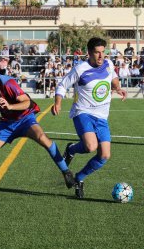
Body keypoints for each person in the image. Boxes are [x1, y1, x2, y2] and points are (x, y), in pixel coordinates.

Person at [0, 59, 75, 199]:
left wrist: (10, 106)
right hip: (6, 124)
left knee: (43, 139)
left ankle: (66, 171)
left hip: (25, 119)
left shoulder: (7, 83)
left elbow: (27, 102)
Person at [51, 37, 127, 199]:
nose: (101, 56)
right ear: (89, 53)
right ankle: (71, 150)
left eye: (103, 53)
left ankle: (79, 178)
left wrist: (118, 87)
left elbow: (112, 76)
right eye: (97, 53)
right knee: (90, 146)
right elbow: (62, 85)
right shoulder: (80, 69)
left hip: (102, 116)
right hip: (82, 112)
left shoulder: (108, 64)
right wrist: (58, 103)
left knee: (105, 155)